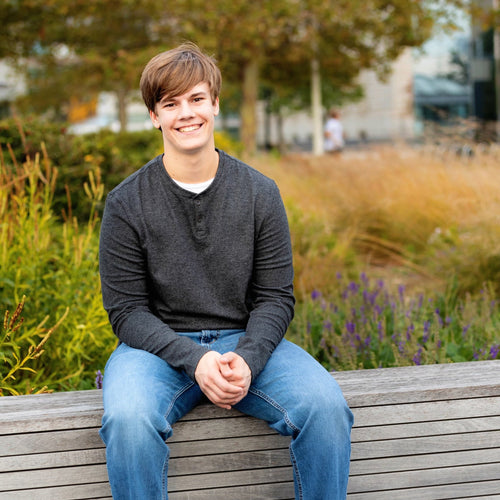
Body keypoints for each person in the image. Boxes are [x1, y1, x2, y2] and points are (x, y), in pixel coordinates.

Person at [98, 42, 353, 500]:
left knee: (326, 407)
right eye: (170, 104)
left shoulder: (260, 193)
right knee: (129, 420)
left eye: (196, 99)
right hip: (155, 352)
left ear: (215, 103)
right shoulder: (125, 203)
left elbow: (275, 297)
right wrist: (195, 361)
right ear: (154, 116)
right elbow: (126, 311)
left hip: (244, 342)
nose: (186, 113)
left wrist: (250, 359)